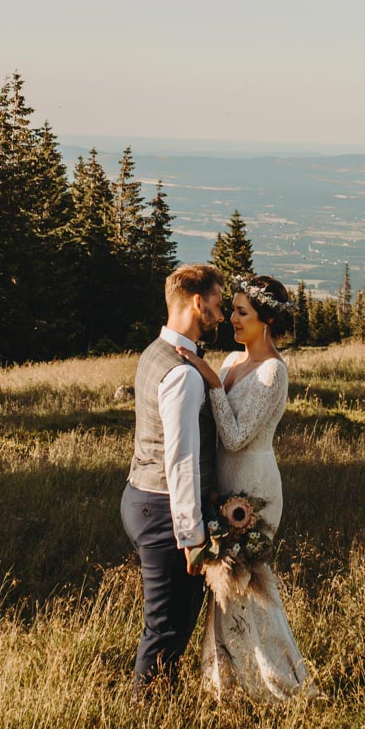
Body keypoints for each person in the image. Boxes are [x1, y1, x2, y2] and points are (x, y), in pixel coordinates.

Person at [175, 273, 320, 700]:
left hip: (254, 487)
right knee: (223, 585)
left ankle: (277, 680)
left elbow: (238, 437)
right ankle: (225, 679)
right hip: (226, 481)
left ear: (267, 321)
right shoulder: (233, 362)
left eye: (242, 312)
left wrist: (213, 384)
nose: (232, 319)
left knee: (247, 583)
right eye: (233, 310)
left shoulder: (273, 372)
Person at [121, 262, 224, 687]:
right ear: (197, 303)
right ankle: (143, 717)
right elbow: (180, 459)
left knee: (165, 622)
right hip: (166, 511)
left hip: (139, 497)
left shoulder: (154, 351)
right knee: (167, 629)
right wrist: (192, 536)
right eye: (217, 305)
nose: (220, 316)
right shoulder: (182, 373)